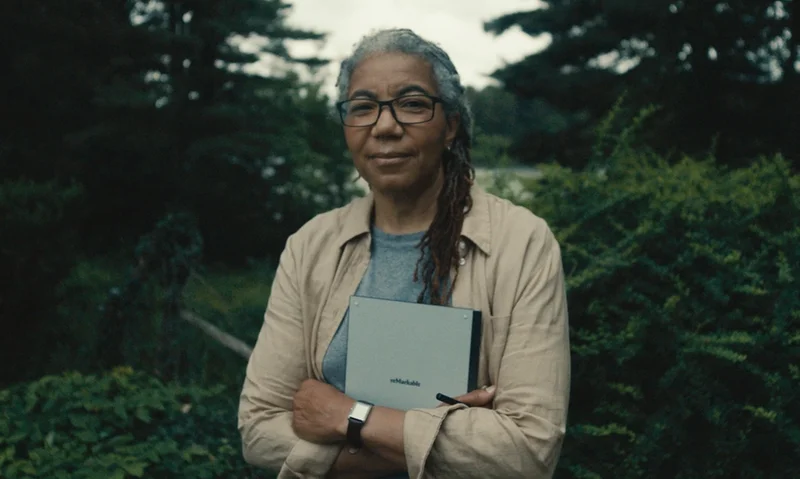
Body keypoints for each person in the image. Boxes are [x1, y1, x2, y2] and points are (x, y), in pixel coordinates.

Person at [238, 28, 570, 479]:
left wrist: (346, 417)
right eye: (363, 107)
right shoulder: (311, 247)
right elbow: (258, 430)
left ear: (450, 125)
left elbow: (526, 453)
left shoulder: (521, 244)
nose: (385, 126)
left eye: (412, 104)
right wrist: (439, 441)